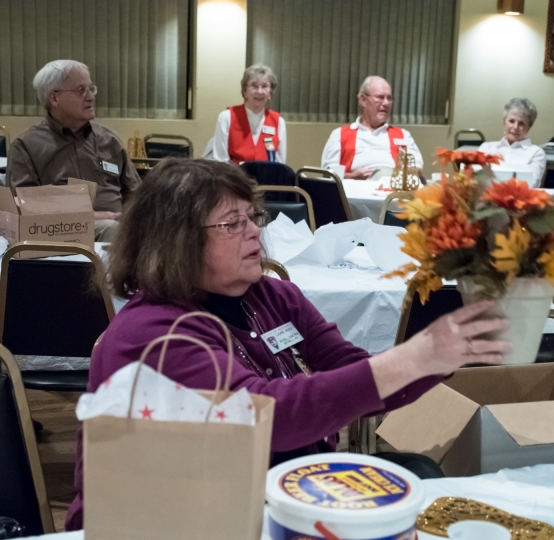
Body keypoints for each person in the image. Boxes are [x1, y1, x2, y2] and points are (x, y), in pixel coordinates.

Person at [65, 158, 510, 530]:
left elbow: (348, 370)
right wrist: (413, 357)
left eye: (252, 217)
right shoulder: (150, 335)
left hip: (276, 500)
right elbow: (265, 417)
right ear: (176, 240)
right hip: (164, 523)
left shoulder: (273, 296)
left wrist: (441, 357)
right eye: (232, 223)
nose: (255, 232)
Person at [6, 60, 140, 241]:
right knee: (113, 231)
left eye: (91, 88)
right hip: (59, 234)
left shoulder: (110, 141)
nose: (90, 97)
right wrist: (87, 218)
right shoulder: (26, 146)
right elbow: (23, 206)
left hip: (118, 229)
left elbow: (136, 194)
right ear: (54, 98)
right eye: (80, 90)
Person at [321, 76, 423, 180]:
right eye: (380, 97)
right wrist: (351, 176)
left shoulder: (403, 135)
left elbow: (417, 169)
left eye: (389, 98)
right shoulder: (339, 135)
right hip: (353, 191)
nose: (386, 103)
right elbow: (328, 174)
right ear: (363, 100)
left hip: (392, 188)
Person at [209, 64, 287, 164]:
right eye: (254, 86)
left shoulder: (278, 122)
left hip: (266, 179)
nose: (260, 91)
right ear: (244, 91)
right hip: (234, 178)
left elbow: (280, 165)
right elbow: (220, 161)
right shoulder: (226, 117)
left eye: (264, 86)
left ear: (270, 92)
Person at [479, 98, 547, 188]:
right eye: (511, 121)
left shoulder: (537, 153)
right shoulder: (486, 148)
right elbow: (475, 180)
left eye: (521, 123)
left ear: (528, 128)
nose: (515, 127)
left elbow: (531, 184)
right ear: (504, 122)